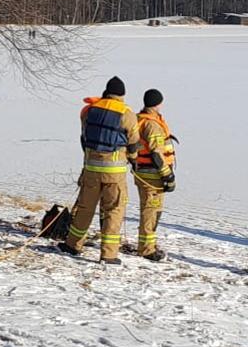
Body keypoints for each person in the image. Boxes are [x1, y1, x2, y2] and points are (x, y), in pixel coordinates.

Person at [57, 76, 142, 265]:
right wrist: (134, 160)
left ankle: (72, 244)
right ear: (122, 95)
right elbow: (134, 142)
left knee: (85, 208)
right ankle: (108, 254)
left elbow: (84, 137)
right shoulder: (127, 113)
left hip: (90, 169)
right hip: (114, 172)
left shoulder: (90, 110)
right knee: (113, 210)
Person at [130, 88, 176, 262]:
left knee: (149, 210)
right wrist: (167, 176)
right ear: (159, 103)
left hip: (142, 172)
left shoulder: (138, 120)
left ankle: (148, 244)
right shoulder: (152, 125)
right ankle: (147, 249)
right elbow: (157, 154)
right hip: (153, 176)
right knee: (151, 211)